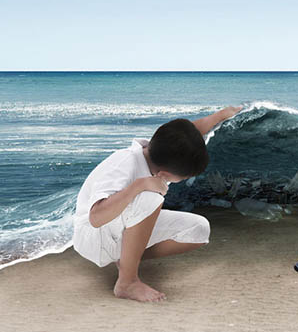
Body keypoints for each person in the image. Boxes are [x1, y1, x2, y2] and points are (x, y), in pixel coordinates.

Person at [72, 105, 242, 302]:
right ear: (164, 175)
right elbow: (96, 217)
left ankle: (126, 260)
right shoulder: (123, 163)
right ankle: (127, 282)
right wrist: (139, 185)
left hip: (117, 231)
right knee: (150, 197)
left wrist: (221, 115)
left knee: (199, 230)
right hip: (93, 238)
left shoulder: (159, 149)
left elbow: (188, 133)